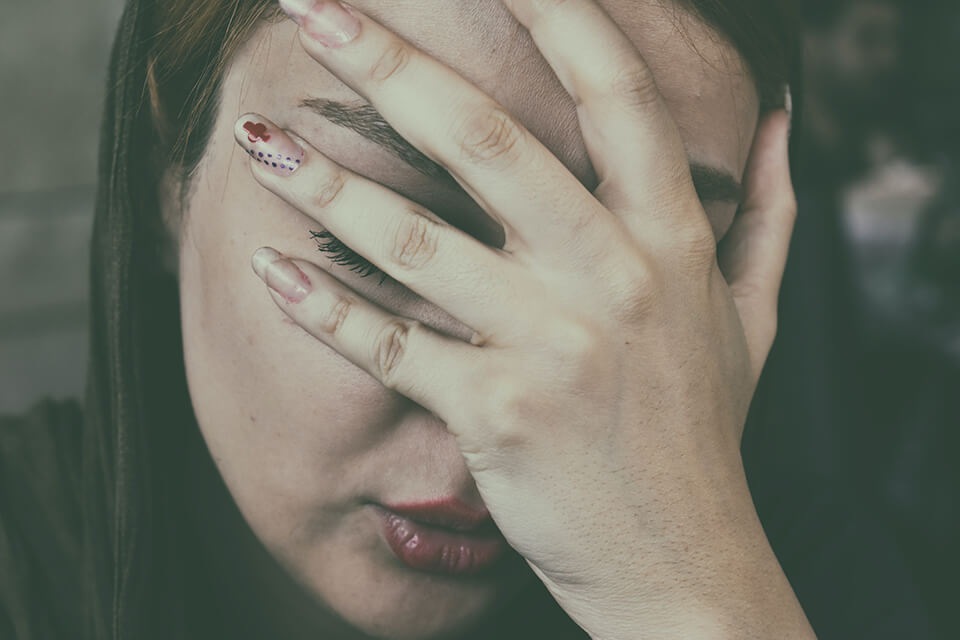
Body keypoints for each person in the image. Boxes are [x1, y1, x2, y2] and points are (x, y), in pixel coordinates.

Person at [0, 1, 934, 638]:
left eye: (647, 285)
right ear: (167, 176)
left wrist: (696, 605)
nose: (509, 412)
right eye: (375, 237)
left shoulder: (817, 586)